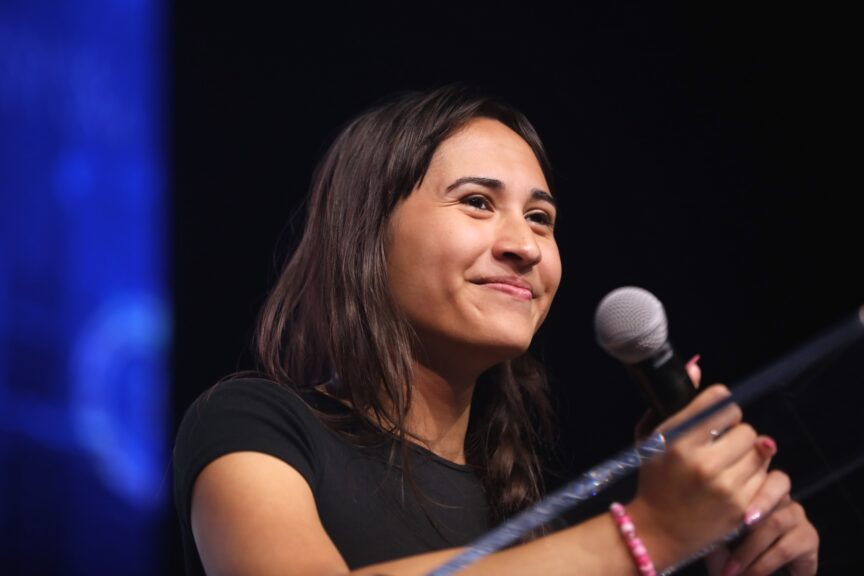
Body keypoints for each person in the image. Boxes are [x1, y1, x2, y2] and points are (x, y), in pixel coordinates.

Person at [173, 85, 819, 575]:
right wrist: (648, 533)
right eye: (478, 202)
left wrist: (726, 548)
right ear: (365, 235)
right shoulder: (252, 424)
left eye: (541, 218)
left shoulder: (538, 525)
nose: (525, 246)